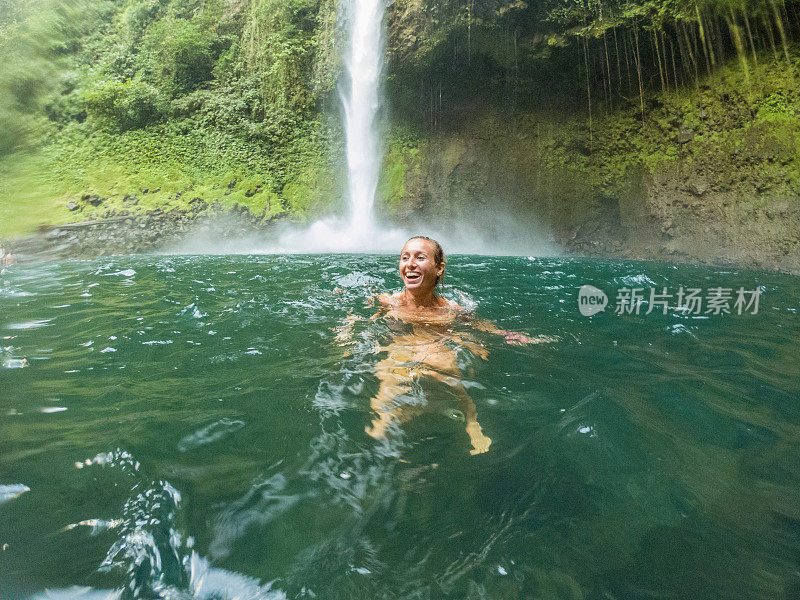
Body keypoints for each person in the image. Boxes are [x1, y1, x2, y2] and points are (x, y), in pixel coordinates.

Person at [336, 236, 555, 455]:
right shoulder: (388, 301)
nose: (410, 263)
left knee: (454, 381)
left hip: (436, 346)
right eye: (405, 257)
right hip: (400, 345)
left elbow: (482, 327)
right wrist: (347, 331)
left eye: (420, 257)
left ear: (439, 268)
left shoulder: (451, 309)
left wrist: (512, 337)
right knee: (387, 390)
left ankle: (471, 422)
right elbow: (359, 314)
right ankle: (382, 428)